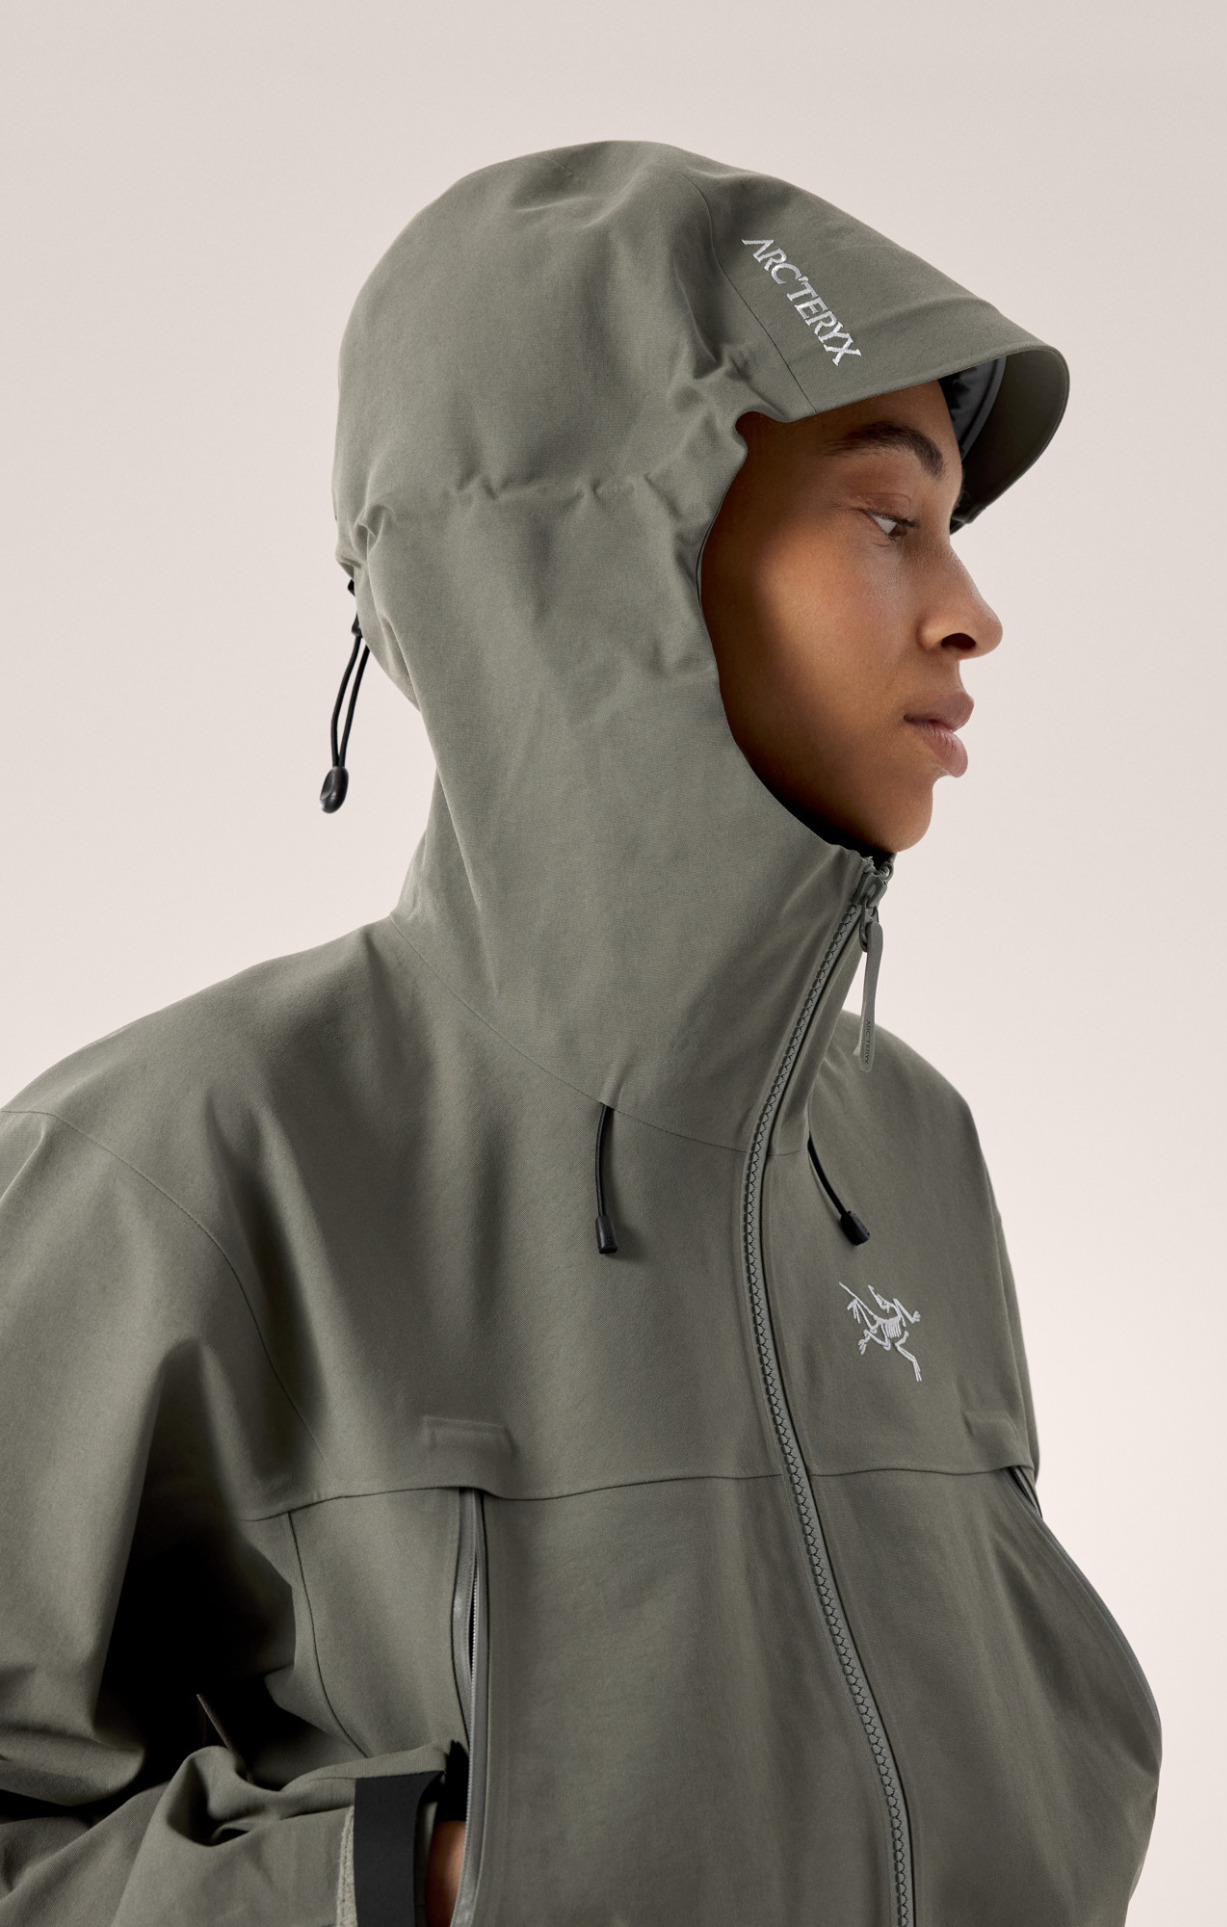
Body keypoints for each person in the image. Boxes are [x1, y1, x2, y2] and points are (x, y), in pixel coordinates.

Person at [0, 142, 1161, 1927]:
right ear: (599, 565)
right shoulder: (181, 1158)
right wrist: (405, 1885)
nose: (970, 611)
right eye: (887, 518)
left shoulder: (906, 1139)